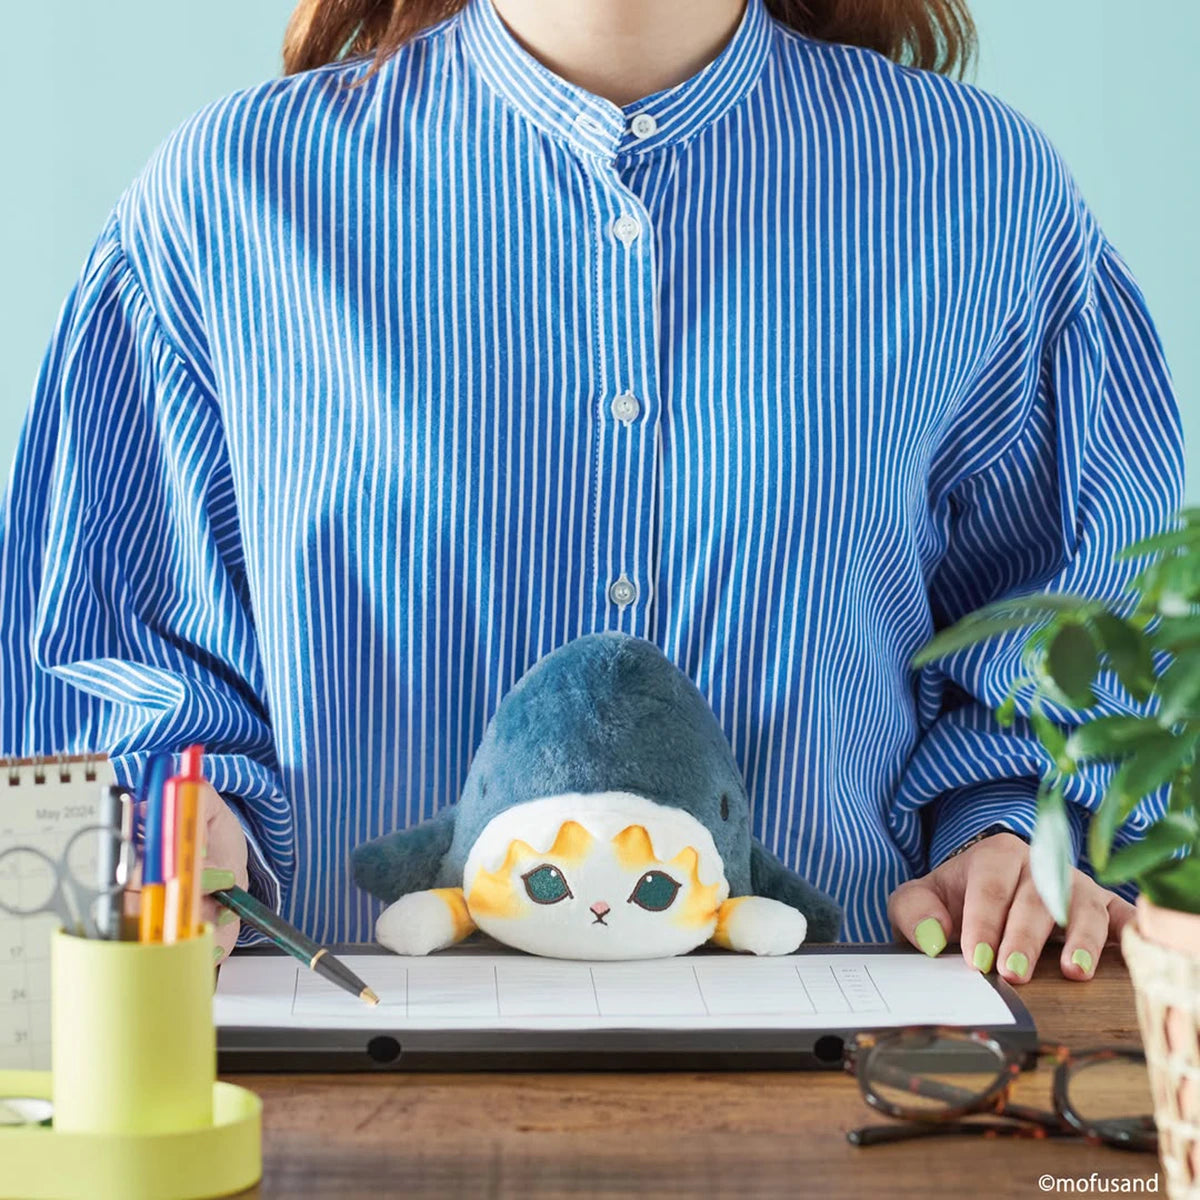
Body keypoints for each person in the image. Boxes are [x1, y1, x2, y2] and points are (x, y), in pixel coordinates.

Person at [0, 0, 1184, 979]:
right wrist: (173, 822)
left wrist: (1008, 835)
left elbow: (1074, 624)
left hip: (859, 1073)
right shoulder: (223, 203)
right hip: (332, 1078)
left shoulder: (983, 196)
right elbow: (119, 666)